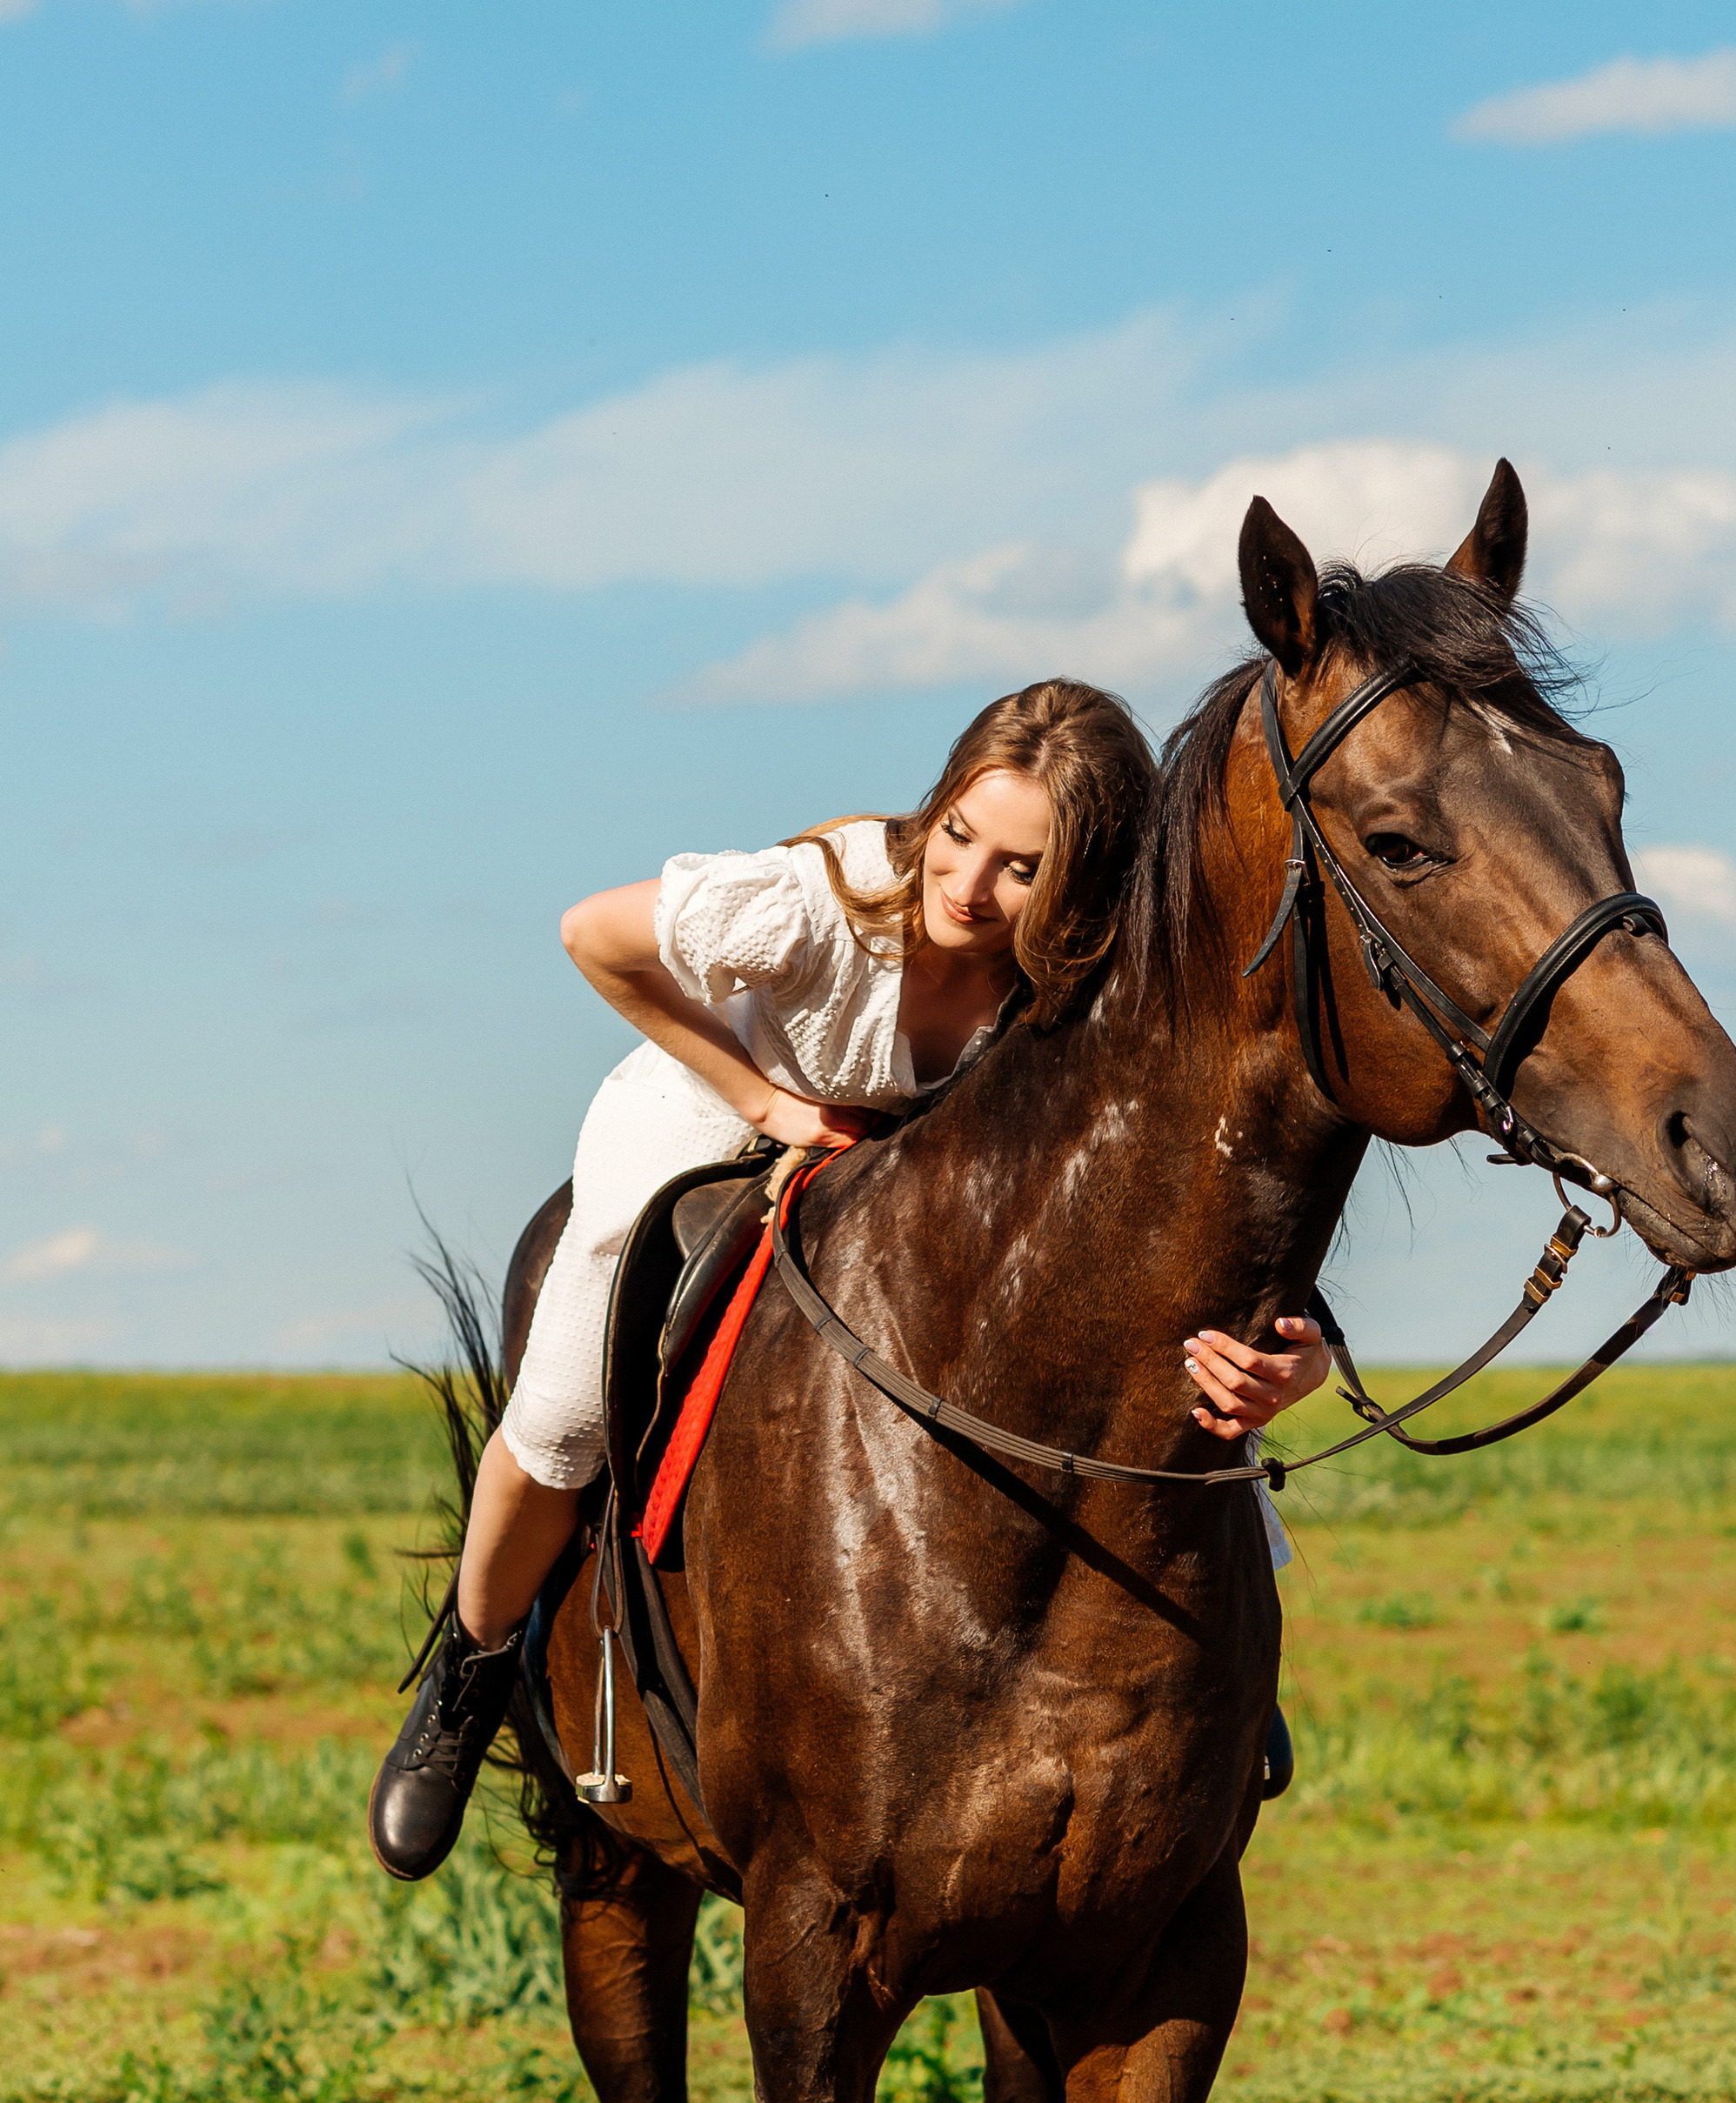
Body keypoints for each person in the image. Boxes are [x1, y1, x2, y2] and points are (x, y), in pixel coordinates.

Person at [371, 679, 1332, 1882]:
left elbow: (1169, 1170)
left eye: (1020, 869)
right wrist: (766, 1102)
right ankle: (467, 1672)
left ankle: (1215, 1668)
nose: (970, 885)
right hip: (725, 1103)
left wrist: (1305, 1347)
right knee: (562, 1414)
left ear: (1077, 887)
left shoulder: (1086, 970)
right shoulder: (815, 903)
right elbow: (592, 936)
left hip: (923, 1169)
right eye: (961, 835)